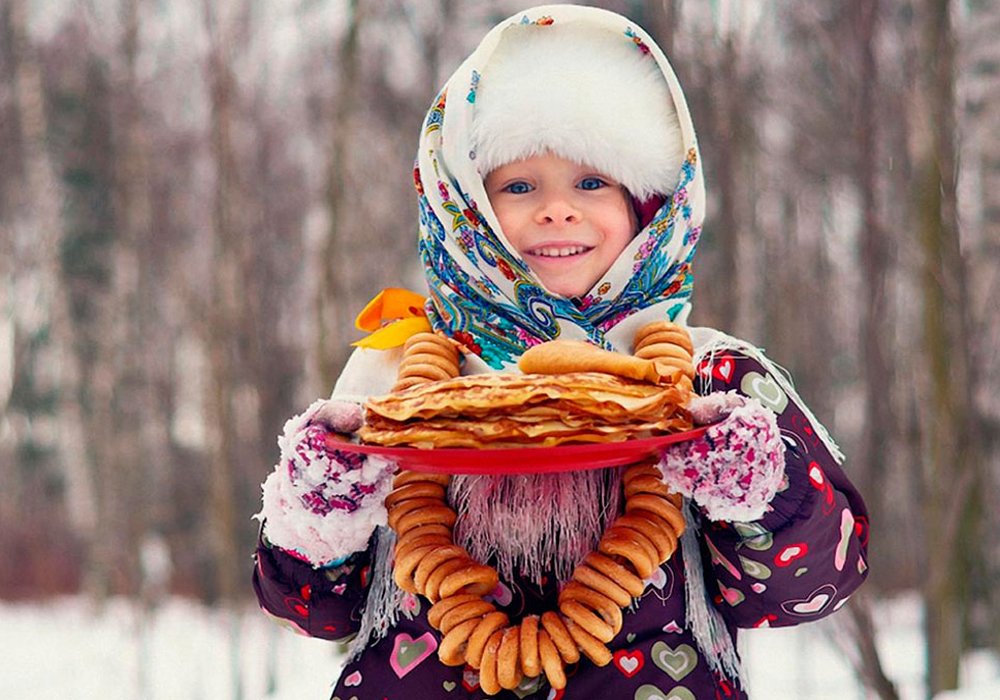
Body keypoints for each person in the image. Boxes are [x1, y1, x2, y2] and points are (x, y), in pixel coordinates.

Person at [252, 5, 869, 699]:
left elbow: (808, 589)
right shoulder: (391, 384)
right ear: (464, 211)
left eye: (592, 182)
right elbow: (311, 610)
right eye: (519, 186)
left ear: (648, 206)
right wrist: (322, 502)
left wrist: (752, 490)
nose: (556, 210)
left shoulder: (711, 383)